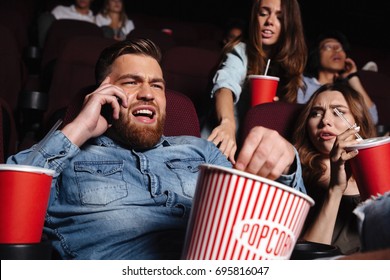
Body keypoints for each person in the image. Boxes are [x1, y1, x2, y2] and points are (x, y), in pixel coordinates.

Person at [7, 38, 306, 260]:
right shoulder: (68, 158)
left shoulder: (201, 151)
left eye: (158, 86)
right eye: (132, 82)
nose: (148, 94)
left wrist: (286, 166)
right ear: (103, 93)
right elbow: (9, 202)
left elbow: (265, 221)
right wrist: (76, 130)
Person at [203, 0, 307, 164]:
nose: (270, 21)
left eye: (280, 17)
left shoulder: (291, 67)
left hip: (259, 151)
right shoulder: (240, 51)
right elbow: (225, 84)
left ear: (290, 24)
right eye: (263, 13)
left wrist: (275, 111)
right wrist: (227, 123)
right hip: (223, 147)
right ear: (254, 18)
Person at [293, 82, 377, 255]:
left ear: (358, 122)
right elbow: (307, 263)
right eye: (316, 113)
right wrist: (335, 190)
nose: (325, 121)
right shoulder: (296, 176)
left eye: (338, 112)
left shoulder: (378, 170)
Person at [298, 30, 379, 125]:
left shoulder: (346, 90)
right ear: (316, 55)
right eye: (328, 47)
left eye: (340, 48)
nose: (336, 49)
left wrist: (352, 77)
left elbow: (372, 119)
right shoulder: (303, 82)